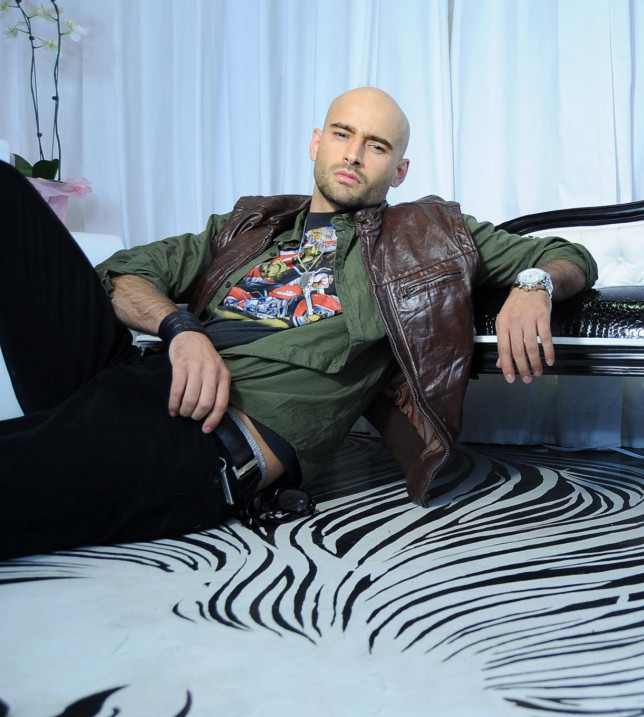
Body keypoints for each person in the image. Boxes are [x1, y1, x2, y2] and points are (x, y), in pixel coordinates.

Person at [0, 87, 597, 560]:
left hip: (204, 433)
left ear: (400, 170)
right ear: (317, 142)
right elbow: (122, 275)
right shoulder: (246, 227)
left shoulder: (429, 237)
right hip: (134, 374)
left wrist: (534, 285)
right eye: (342, 133)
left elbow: (570, 256)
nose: (354, 154)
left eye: (377, 145)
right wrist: (181, 331)